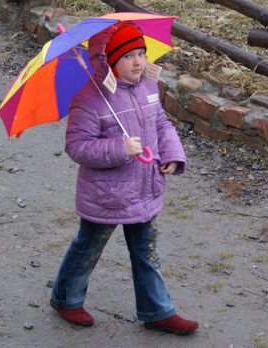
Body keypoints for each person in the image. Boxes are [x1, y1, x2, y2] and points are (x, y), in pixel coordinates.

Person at [49, 21, 199, 335]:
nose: (138, 62)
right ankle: (66, 298)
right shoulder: (89, 99)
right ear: (109, 61)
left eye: (141, 53)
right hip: (107, 195)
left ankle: (157, 311)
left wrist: (172, 154)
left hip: (145, 188)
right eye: (128, 56)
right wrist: (119, 147)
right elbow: (77, 146)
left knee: (147, 253)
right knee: (88, 247)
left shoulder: (148, 88)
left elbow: (161, 124)